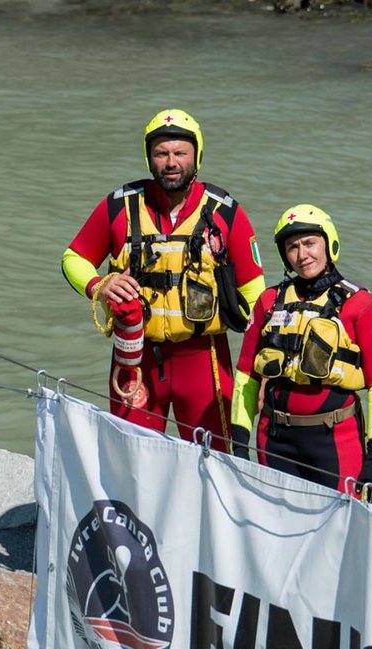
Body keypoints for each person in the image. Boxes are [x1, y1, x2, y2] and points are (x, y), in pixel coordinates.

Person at [63, 109, 266, 442]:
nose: (171, 162)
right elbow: (73, 258)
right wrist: (100, 284)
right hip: (135, 356)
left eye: (180, 153)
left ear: (196, 156)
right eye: (161, 153)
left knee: (212, 462)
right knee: (130, 455)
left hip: (205, 359)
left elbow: (256, 296)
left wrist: (258, 372)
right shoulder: (119, 206)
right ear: (150, 158)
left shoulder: (226, 212)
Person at [230, 204, 372, 499]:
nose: (302, 254)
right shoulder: (269, 301)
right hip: (275, 438)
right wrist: (240, 443)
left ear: (329, 243)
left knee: (343, 532)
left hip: (335, 441)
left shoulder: (361, 305)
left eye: (310, 243)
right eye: (292, 247)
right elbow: (246, 375)